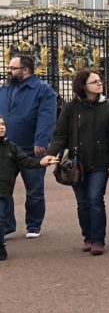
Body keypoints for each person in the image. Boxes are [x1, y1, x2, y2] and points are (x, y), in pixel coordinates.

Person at [44, 70, 109, 255]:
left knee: (95, 200)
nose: (99, 83)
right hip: (74, 161)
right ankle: (87, 236)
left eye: (100, 80)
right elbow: (60, 134)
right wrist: (50, 154)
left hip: (100, 162)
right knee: (82, 202)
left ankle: (98, 240)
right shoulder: (70, 108)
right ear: (83, 86)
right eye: (94, 81)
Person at [0, 54, 56, 239]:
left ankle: (33, 225)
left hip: (31, 147)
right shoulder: (4, 88)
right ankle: (6, 225)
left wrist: (41, 140)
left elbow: (47, 116)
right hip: (5, 147)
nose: (9, 70)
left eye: (12, 67)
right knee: (3, 189)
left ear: (25, 70)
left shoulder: (42, 89)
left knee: (34, 190)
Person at [0, 114, 55, 260]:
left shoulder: (11, 147)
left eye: (2, 124)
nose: (1, 127)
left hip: (4, 189)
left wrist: (41, 163)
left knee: (1, 216)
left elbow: (26, 161)